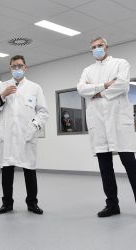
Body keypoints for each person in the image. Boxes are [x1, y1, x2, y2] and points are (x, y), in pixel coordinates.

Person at [77, 37, 136, 217]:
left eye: (100, 46)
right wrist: (104, 85)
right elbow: (81, 89)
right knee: (105, 167)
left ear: (107, 47)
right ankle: (112, 205)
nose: (97, 49)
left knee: (130, 164)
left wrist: (95, 92)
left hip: (118, 122)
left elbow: (123, 85)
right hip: (99, 123)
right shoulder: (87, 70)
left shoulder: (121, 63)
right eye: (93, 47)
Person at [0, 55, 49, 214]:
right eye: (14, 66)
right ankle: (7, 203)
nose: (17, 69)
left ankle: (32, 203)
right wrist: (3, 95)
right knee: (7, 171)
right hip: (7, 136)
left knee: (29, 170)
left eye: (20, 66)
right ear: (10, 68)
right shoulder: (3, 86)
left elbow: (43, 112)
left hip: (26, 136)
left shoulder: (35, 87)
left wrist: (33, 127)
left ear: (25, 68)